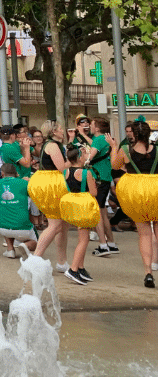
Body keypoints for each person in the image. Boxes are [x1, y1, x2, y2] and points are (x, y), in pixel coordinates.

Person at [108, 120, 158, 288]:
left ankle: (148, 273)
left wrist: (114, 147)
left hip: (137, 193)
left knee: (144, 234)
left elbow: (115, 165)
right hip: (156, 190)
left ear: (134, 135)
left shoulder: (125, 150)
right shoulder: (157, 149)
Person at [33, 120, 71, 273]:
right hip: (52, 185)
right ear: (54, 132)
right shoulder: (53, 145)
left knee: (62, 226)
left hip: (50, 183)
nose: (63, 130)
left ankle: (62, 262)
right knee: (55, 225)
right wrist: (77, 160)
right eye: (60, 128)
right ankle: (35, 259)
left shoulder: (52, 144)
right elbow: (61, 167)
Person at [62, 144, 97, 285]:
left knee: (82, 237)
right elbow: (94, 192)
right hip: (83, 205)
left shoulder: (66, 171)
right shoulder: (86, 173)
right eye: (83, 156)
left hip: (71, 204)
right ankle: (73, 268)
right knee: (84, 239)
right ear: (79, 157)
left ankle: (81, 268)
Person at [85, 116, 118, 257]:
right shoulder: (104, 139)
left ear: (97, 128)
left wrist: (83, 155)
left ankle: (103, 245)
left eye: (91, 124)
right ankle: (111, 243)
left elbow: (89, 159)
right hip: (104, 176)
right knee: (103, 211)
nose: (90, 126)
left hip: (97, 177)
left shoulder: (98, 140)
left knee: (97, 211)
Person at [0, 162, 37, 258]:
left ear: (2, 173)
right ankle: (26, 245)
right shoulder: (24, 183)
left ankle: (10, 249)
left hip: (1, 226)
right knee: (36, 243)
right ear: (16, 173)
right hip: (22, 226)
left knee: (6, 216)